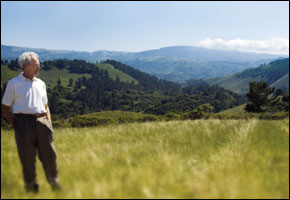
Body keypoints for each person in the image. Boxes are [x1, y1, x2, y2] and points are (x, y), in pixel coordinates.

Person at [1, 52, 61, 193]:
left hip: (42, 122)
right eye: (36, 65)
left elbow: (46, 106)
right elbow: (5, 106)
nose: (39, 68)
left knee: (50, 155)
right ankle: (31, 189)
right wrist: (14, 124)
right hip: (23, 123)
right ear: (26, 66)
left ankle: (54, 183)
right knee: (27, 158)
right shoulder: (13, 84)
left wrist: (48, 122)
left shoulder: (41, 83)